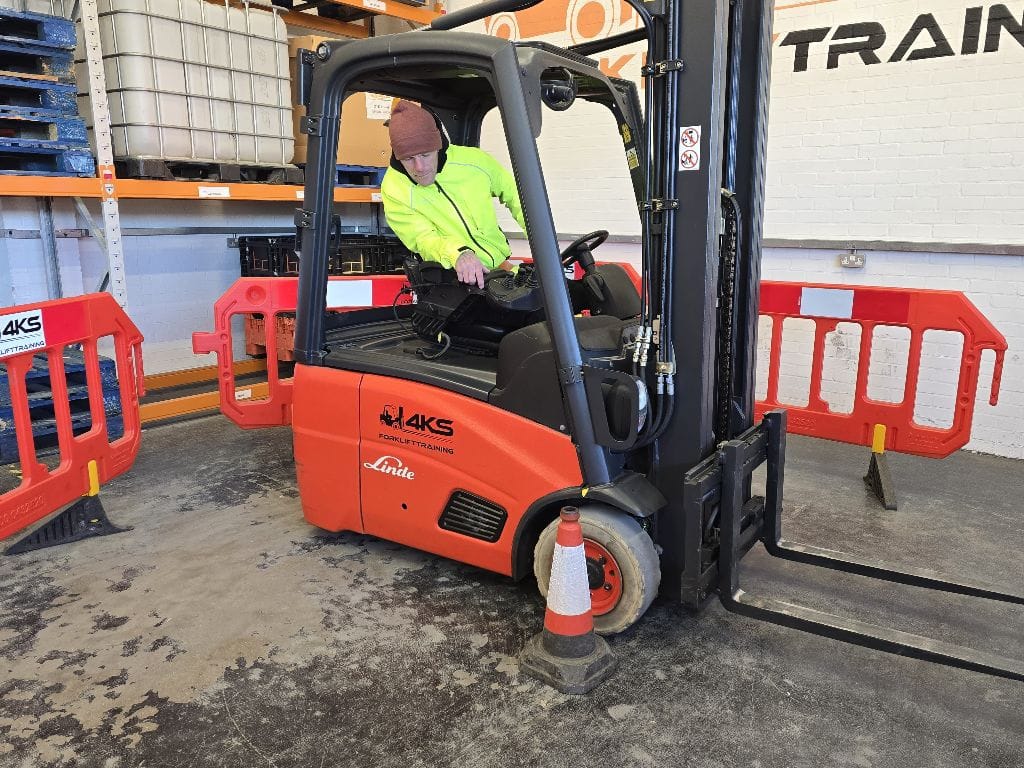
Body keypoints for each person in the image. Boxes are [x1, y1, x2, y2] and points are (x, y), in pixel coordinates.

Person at [381, 100, 527, 289]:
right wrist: (458, 253)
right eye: (409, 158)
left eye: (425, 155)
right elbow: (423, 238)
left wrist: (542, 242)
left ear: (438, 146)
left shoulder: (475, 162)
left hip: (501, 269)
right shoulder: (394, 188)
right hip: (452, 280)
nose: (419, 167)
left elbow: (519, 199)